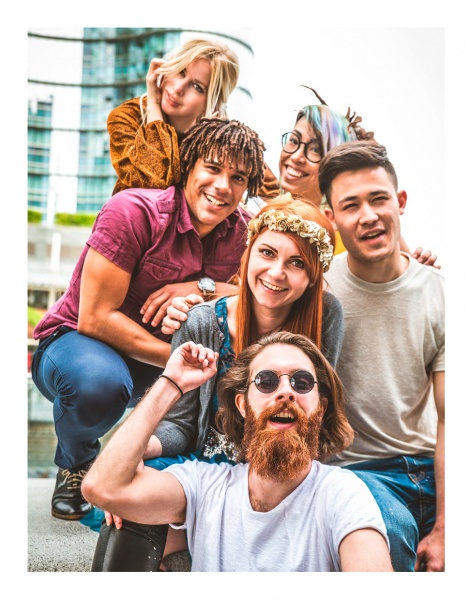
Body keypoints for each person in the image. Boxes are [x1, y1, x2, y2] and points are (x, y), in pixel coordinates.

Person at [88, 196, 344, 570]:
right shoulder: (202, 322)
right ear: (248, 255)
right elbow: (180, 424)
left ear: (312, 278)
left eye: (297, 263)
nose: (276, 273)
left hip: (279, 468)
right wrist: (141, 448)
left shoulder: (327, 315)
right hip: (203, 466)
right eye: (268, 253)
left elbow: (319, 418)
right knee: (127, 512)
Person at [31, 117, 267, 521]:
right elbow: (95, 318)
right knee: (99, 386)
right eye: (212, 168)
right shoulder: (132, 212)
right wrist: (180, 362)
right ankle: (75, 461)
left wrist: (202, 285)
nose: (224, 186)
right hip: (78, 345)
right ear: (189, 165)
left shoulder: (247, 233)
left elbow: (264, 287)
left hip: (160, 361)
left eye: (238, 177)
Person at [82, 333, 392, 572]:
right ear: (243, 406)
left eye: (302, 382)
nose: (286, 391)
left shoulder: (343, 494)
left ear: (321, 409)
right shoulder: (204, 485)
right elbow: (102, 487)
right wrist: (171, 383)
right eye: (267, 381)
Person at [317, 141, 445, 571]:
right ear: (332, 219)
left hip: (432, 466)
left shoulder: (439, 292)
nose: (368, 216)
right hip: (360, 473)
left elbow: (450, 419)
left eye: (378, 199)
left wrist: (445, 527)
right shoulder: (318, 292)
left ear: (400, 202)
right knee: (390, 538)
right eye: (350, 206)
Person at [265, 87, 436, 266]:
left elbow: (411, 272)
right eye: (293, 141)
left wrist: (423, 272)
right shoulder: (267, 216)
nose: (297, 156)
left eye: (315, 150)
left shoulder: (355, 223)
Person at [108, 38, 279, 198]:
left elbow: (275, 194)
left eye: (197, 87)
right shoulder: (128, 117)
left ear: (212, 101)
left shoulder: (219, 139)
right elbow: (153, 182)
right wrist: (153, 105)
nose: (179, 88)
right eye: (181, 72)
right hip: (131, 225)